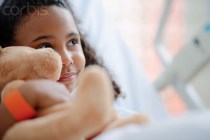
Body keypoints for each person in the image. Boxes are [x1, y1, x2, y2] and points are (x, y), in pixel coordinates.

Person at [0, 0, 149, 139]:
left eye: (72, 42)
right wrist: (29, 94)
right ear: (11, 53)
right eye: (46, 47)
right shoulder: (14, 98)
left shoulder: (101, 108)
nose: (67, 59)